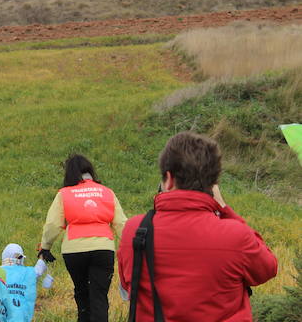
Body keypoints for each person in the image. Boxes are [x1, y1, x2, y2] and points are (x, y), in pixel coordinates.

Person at [117, 132, 278, 322]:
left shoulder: (135, 230)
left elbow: (128, 286)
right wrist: (225, 209)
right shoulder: (236, 235)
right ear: (213, 184)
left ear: (168, 179)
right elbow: (268, 268)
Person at [39, 154, 126, 322]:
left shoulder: (64, 194)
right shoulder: (107, 192)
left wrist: (45, 246)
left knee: (82, 294)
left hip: (74, 252)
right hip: (103, 250)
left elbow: (52, 224)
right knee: (99, 297)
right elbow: (121, 223)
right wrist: (132, 246)